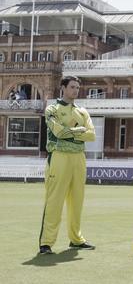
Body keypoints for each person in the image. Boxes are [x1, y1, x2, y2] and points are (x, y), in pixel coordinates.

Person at [38, 75, 96, 254]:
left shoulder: (83, 111)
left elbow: (92, 135)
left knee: (77, 201)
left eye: (77, 88)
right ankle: (46, 243)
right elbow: (58, 132)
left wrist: (71, 132)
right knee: (54, 200)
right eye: (72, 87)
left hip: (78, 157)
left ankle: (76, 239)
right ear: (63, 87)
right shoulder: (52, 109)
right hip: (59, 156)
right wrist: (79, 131)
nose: (75, 90)